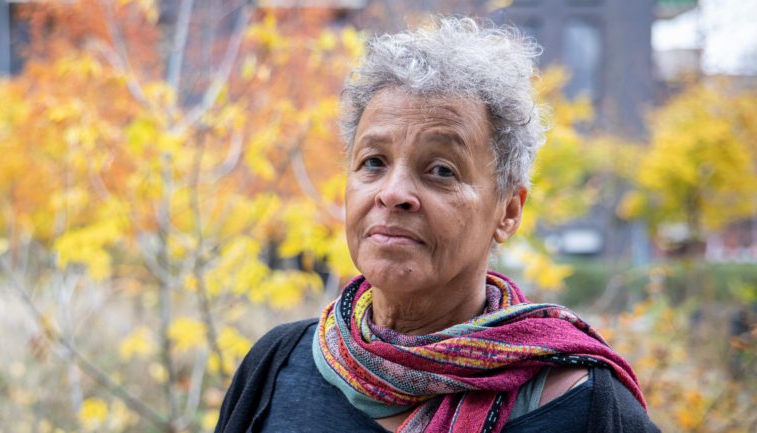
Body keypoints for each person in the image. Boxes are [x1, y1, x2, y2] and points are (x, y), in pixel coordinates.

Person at [215, 17, 660, 433]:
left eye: (441, 170)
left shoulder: (586, 408)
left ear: (507, 211)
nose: (393, 193)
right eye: (373, 162)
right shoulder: (277, 368)